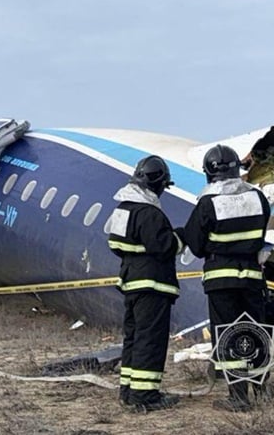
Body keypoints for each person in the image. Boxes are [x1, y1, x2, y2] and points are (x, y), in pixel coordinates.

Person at [182, 144, 273, 412]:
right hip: (253, 278)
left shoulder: (208, 203)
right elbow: (261, 234)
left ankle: (239, 397)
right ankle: (262, 386)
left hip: (222, 280)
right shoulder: (257, 198)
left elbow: (195, 244)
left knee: (229, 335)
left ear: (209, 173)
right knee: (255, 331)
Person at [107, 155, 183, 412]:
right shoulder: (149, 213)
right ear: (159, 184)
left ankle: (128, 390)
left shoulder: (122, 209)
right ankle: (145, 396)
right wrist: (180, 237)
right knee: (151, 339)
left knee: (134, 337)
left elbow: (115, 245)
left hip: (131, 283)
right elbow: (164, 247)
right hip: (152, 285)